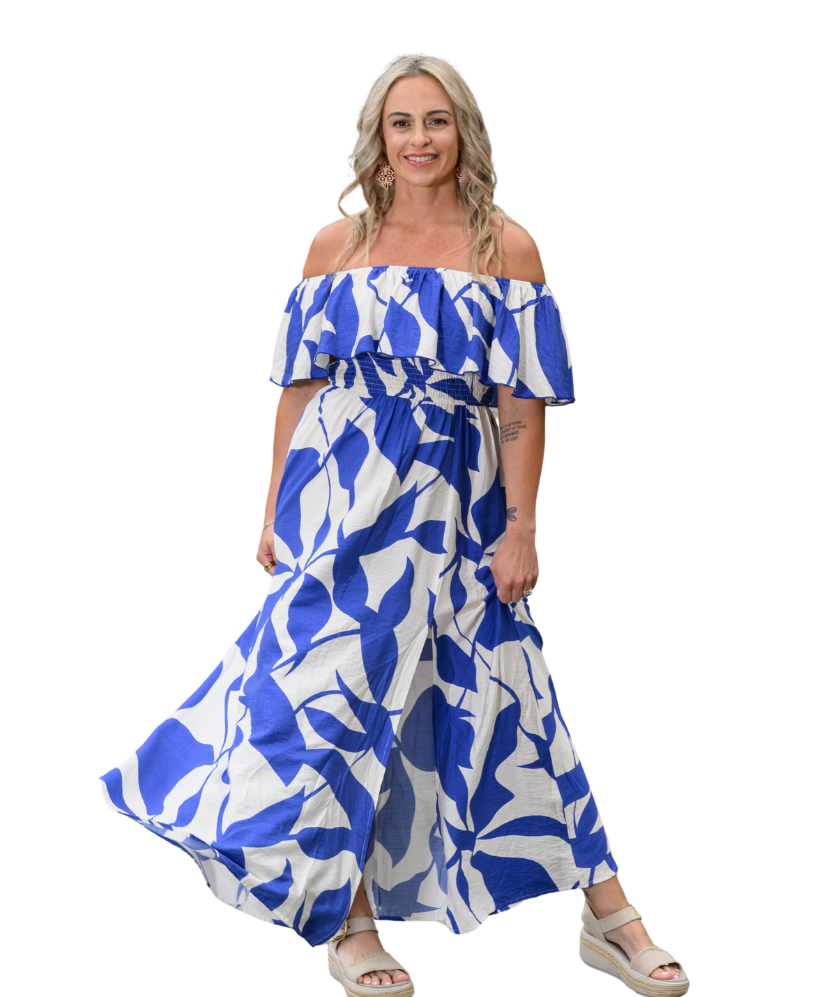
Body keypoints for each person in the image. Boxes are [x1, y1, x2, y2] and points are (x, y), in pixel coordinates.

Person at [98, 53, 689, 996]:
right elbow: (299, 387)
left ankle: (608, 913)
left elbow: (522, 405)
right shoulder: (335, 244)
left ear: (464, 134)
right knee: (329, 697)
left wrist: (522, 524)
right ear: (378, 137)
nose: (419, 139)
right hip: (340, 498)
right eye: (401, 122)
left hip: (457, 502)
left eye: (436, 120)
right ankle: (350, 914)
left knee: (502, 690)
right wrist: (270, 514)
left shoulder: (508, 250)